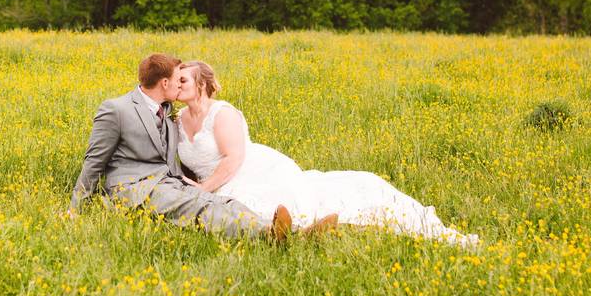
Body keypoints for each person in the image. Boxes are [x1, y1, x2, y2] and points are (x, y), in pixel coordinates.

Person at [175, 60, 480, 247]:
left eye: (183, 80)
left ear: (201, 83)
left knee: (278, 200)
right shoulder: (179, 119)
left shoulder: (222, 114)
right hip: (213, 183)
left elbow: (233, 160)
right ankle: (287, 231)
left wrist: (203, 190)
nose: (177, 85)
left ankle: (302, 229)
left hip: (247, 171)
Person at [69, 53, 296, 241]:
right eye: (179, 79)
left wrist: (187, 181)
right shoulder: (117, 109)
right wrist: (75, 208)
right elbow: (94, 161)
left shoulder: (167, 109)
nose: (180, 84)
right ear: (164, 83)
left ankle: (292, 233)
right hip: (135, 189)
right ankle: (266, 233)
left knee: (221, 201)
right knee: (197, 208)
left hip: (168, 181)